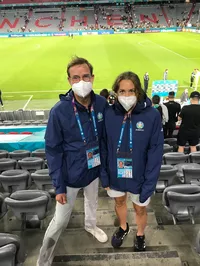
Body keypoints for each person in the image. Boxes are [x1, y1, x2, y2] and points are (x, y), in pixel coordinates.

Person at [37, 57, 108, 266]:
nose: (81, 81)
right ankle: (43, 259)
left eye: (85, 76)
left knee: (93, 203)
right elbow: (53, 150)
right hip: (69, 176)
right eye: (76, 77)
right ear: (69, 81)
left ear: (92, 78)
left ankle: (91, 226)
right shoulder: (59, 111)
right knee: (59, 221)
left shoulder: (102, 104)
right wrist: (58, 186)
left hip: (93, 170)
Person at [100, 71, 163, 251]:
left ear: (138, 93)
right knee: (119, 203)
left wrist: (150, 183)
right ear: (116, 93)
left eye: (131, 91)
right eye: (122, 91)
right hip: (115, 173)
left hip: (140, 176)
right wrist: (104, 175)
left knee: (140, 209)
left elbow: (155, 151)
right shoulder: (109, 114)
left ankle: (140, 234)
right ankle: (123, 227)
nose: (126, 96)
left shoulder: (152, 115)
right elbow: (104, 146)